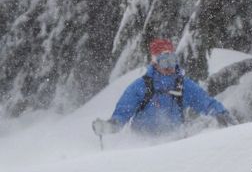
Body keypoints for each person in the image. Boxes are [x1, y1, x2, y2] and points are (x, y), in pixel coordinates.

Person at [92, 39, 236, 137]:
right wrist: (110, 126)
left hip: (174, 144)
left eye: (172, 60)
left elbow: (205, 102)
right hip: (143, 145)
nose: (169, 67)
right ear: (155, 62)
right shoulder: (141, 86)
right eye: (164, 61)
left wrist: (220, 113)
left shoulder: (183, 85)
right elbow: (122, 113)